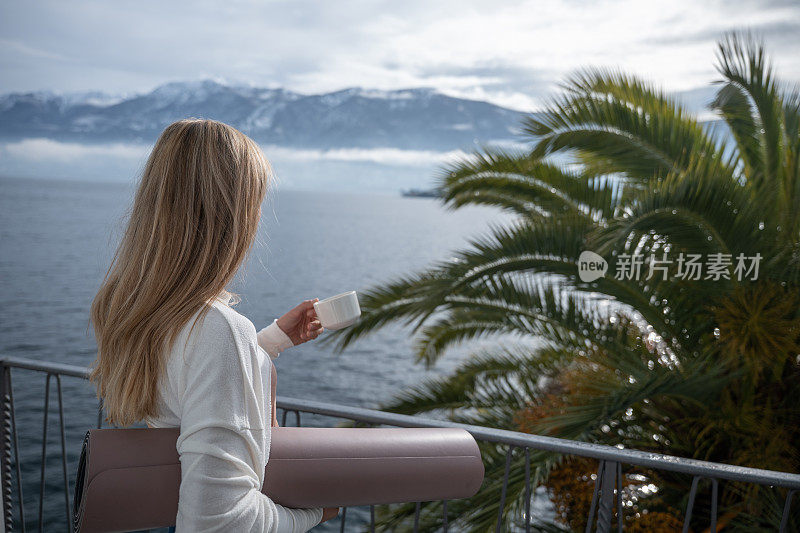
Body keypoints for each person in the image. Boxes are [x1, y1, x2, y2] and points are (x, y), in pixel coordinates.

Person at [88, 118, 339, 531]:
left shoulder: (141, 306)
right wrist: (313, 513)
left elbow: (184, 380)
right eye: (254, 201)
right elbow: (218, 523)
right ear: (231, 215)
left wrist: (270, 342)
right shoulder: (217, 328)